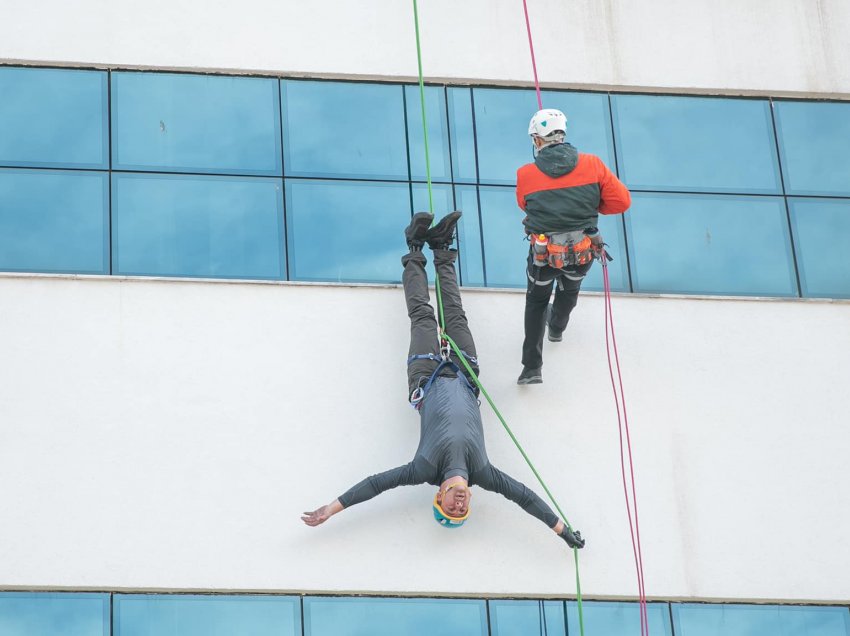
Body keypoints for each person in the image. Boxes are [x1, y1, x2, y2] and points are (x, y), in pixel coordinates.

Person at [301, 211, 585, 548]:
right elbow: (524, 498)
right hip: (465, 374)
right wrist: (563, 531)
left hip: (426, 376)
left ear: (439, 496)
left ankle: (415, 247)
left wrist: (331, 509)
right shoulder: (483, 473)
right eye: (462, 511)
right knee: (454, 309)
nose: (459, 505)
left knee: (422, 313)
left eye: (451, 509)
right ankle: (442, 247)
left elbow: (376, 484)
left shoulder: (423, 468)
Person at [516, 108, 631, 385]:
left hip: (545, 255)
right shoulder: (593, 164)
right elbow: (622, 201)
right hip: (582, 250)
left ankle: (532, 368)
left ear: (537, 140)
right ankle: (556, 328)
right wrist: (590, 210)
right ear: (562, 134)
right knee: (570, 288)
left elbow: (525, 205)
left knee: (537, 301)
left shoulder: (525, 174)